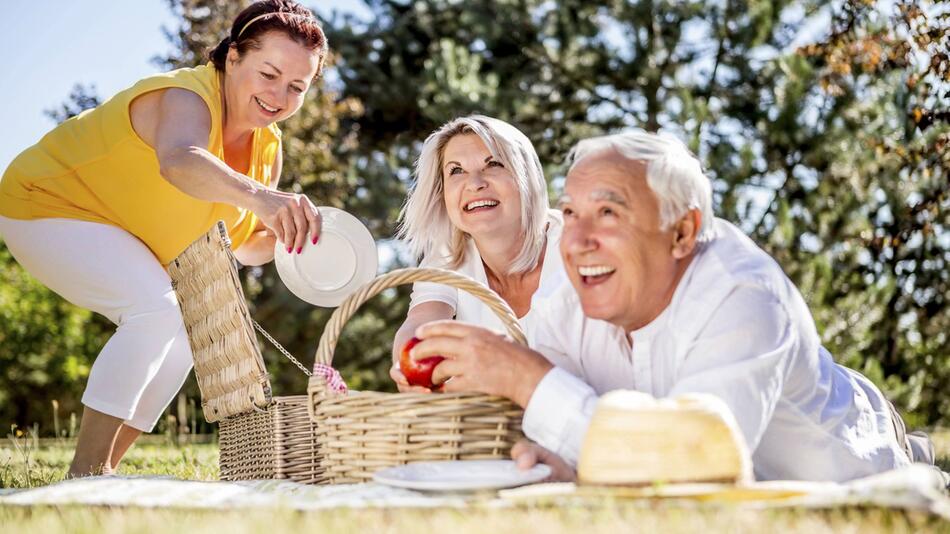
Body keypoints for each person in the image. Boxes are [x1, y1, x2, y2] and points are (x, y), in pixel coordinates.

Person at [407, 130, 939, 482]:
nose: (577, 240)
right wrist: (559, 462)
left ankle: (919, 454)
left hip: (847, 470)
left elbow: (703, 454)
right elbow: (567, 420)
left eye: (609, 212)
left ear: (682, 230)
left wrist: (525, 378)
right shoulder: (572, 298)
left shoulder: (742, 290)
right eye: (571, 214)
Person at [0, 0, 327, 477]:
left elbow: (244, 242)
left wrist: (291, 239)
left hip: (118, 232)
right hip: (44, 203)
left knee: (183, 335)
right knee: (156, 309)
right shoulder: (185, 96)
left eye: (296, 86)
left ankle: (101, 470)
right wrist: (263, 198)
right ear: (233, 57)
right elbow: (180, 159)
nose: (279, 95)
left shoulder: (267, 148)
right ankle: (85, 475)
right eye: (269, 73)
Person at [390, 115, 572, 392]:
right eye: (456, 171)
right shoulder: (447, 255)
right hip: (500, 430)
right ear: (442, 193)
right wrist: (410, 367)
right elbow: (421, 326)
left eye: (494, 164)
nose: (474, 183)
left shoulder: (574, 241)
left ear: (527, 178)